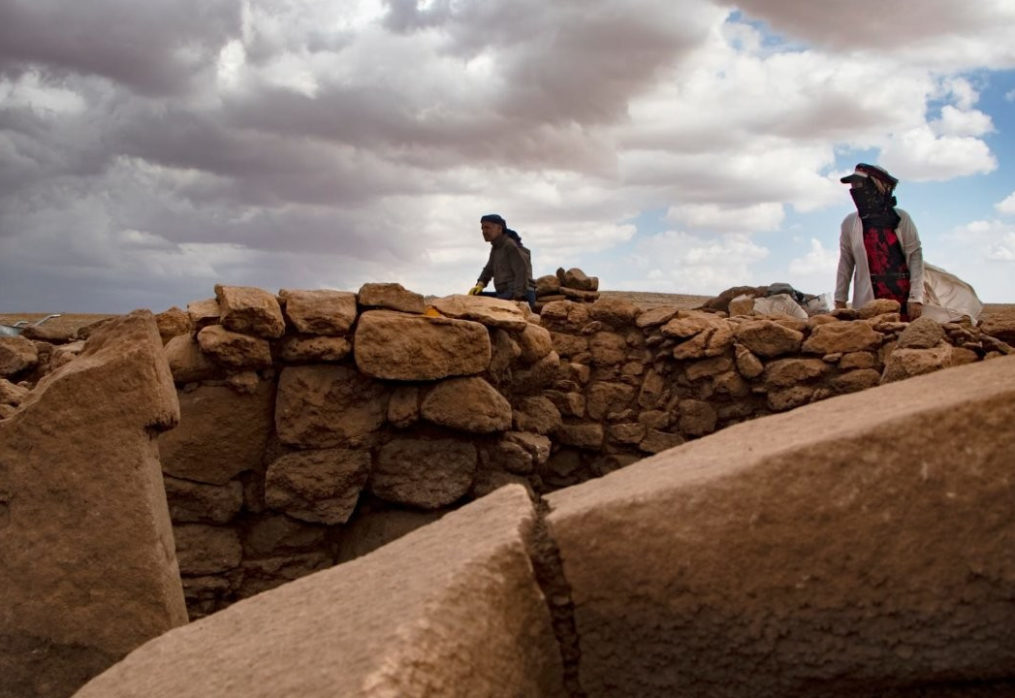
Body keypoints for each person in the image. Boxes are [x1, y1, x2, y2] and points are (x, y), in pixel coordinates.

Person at [835, 163, 924, 320]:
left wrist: (916, 297)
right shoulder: (850, 223)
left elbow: (915, 257)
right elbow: (846, 262)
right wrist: (840, 299)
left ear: (876, 185)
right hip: (867, 300)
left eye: (860, 183)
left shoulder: (901, 218)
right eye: (853, 184)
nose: (856, 188)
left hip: (901, 296)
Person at [468, 213, 537, 308]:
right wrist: (480, 284)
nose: (484, 231)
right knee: (476, 297)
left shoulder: (510, 245)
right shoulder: (496, 247)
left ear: (499, 228)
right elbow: (488, 269)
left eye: (487, 228)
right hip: (506, 294)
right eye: (482, 228)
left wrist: (517, 298)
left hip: (521, 294)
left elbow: (521, 270)